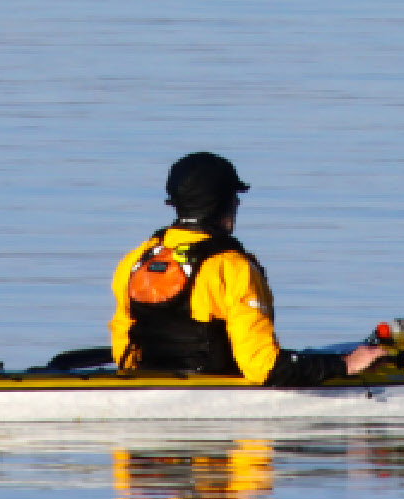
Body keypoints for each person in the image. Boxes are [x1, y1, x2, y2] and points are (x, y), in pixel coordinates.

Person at [109, 152, 385, 385]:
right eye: (234, 196)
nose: (238, 203)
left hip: (146, 383)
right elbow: (262, 367)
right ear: (225, 203)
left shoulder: (135, 261)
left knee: (332, 352)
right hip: (220, 394)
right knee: (346, 354)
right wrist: (345, 365)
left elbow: (124, 348)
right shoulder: (231, 268)